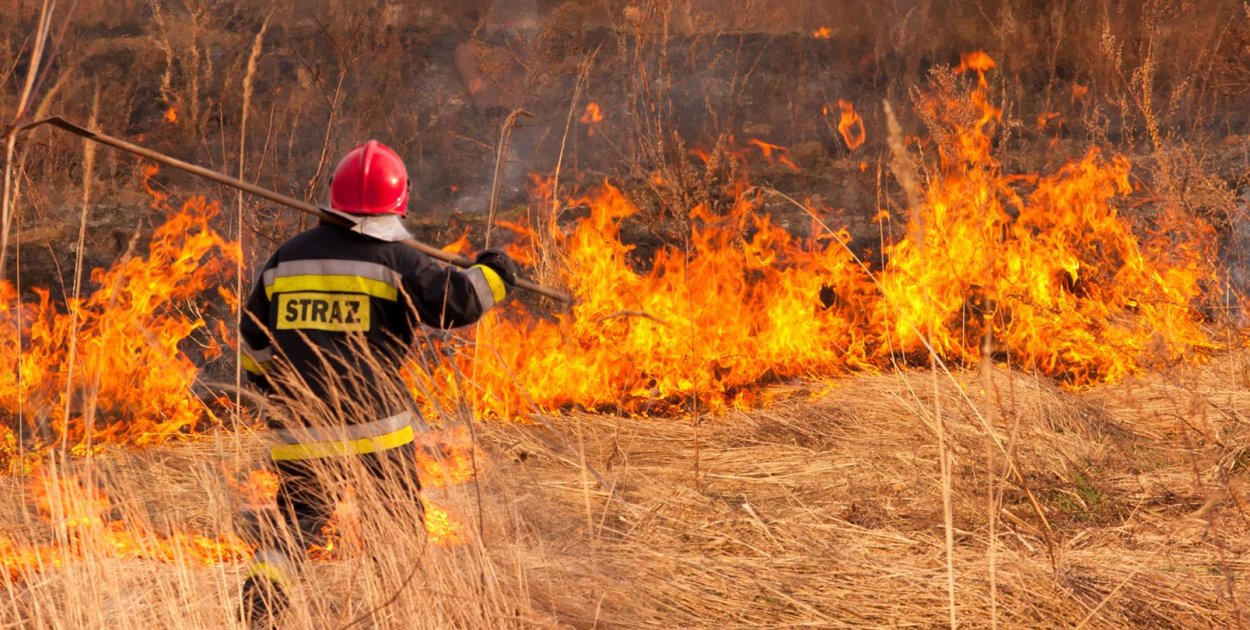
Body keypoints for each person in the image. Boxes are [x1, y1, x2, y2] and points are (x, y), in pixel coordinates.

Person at [236, 140, 516, 626]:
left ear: (333, 198)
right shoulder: (397, 261)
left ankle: (262, 599)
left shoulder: (286, 259)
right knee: (397, 524)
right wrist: (495, 271)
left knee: (293, 523)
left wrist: (271, 391)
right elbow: (461, 303)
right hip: (376, 431)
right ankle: (401, 612)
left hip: (300, 428)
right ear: (399, 202)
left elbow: (252, 338)